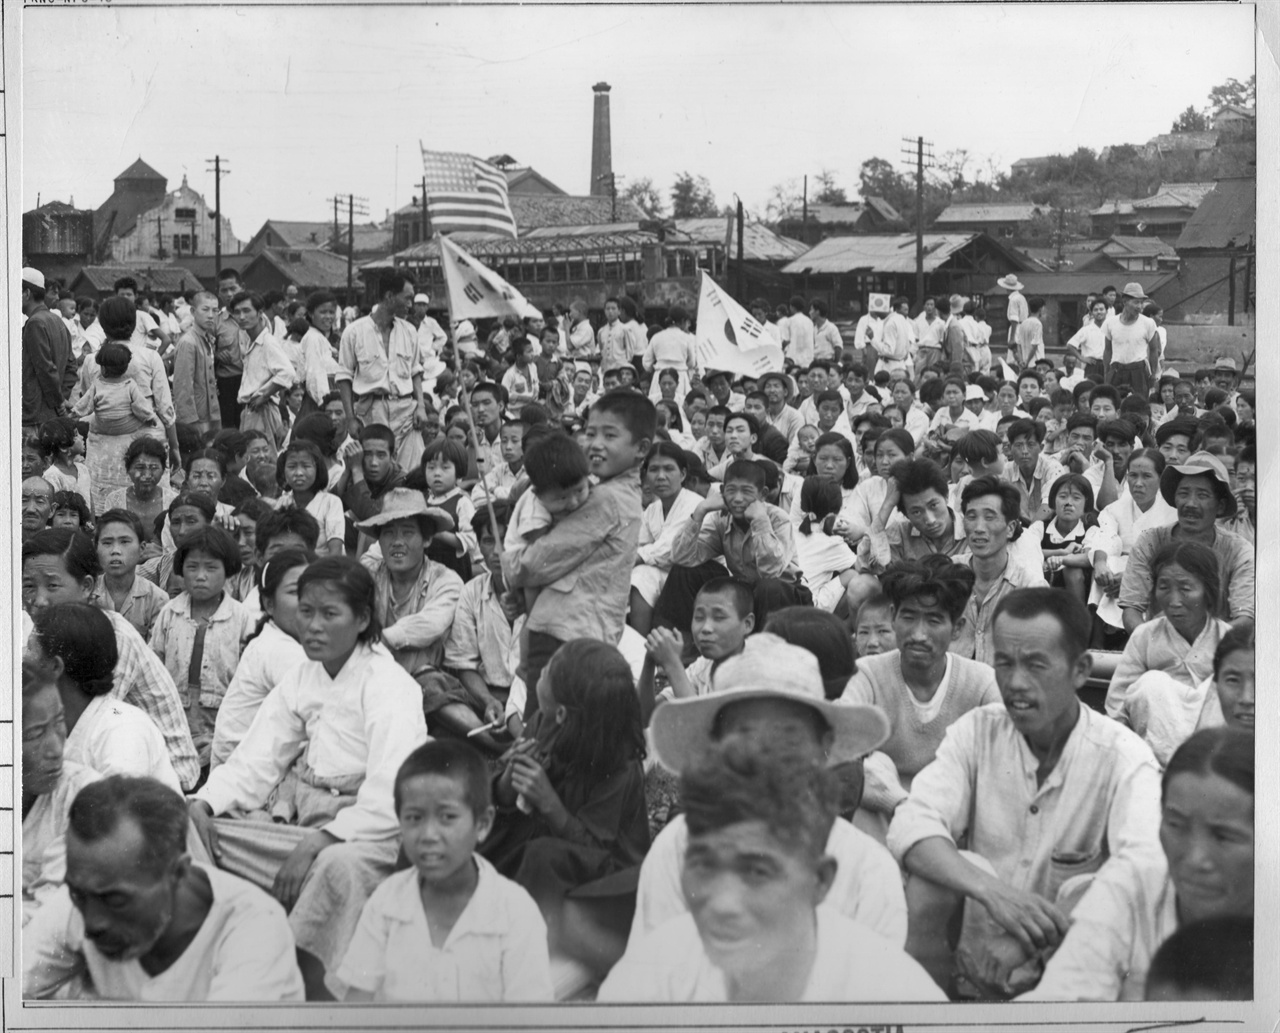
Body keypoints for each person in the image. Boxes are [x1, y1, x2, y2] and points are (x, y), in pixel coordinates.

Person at [888, 588, 1163, 998]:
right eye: (1004, 663)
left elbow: (1144, 871)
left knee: (1101, 889)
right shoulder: (978, 730)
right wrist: (994, 893)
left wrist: (1027, 938)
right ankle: (925, 1014)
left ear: (1081, 670)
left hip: (1078, 962)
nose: (1015, 683)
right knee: (933, 878)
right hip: (977, 951)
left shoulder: (1125, 759)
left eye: (1036, 665)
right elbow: (912, 823)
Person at [188, 557, 428, 999]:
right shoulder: (303, 675)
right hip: (305, 829)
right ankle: (215, 951)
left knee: (337, 868)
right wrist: (205, 801)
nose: (313, 626)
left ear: (361, 619)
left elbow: (393, 791)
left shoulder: (389, 684)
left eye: (330, 614)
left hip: (372, 838)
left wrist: (321, 841)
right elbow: (257, 758)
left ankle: (301, 990)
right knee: (194, 827)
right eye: (306, 611)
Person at [601, 737, 943, 1004]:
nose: (723, 901)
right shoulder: (650, 976)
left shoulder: (892, 993)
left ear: (819, 880)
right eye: (704, 865)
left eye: (756, 873)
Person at [24, 775, 305, 1001]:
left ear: (178, 874)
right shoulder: (87, 894)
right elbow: (10, 991)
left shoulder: (255, 931)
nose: (91, 922)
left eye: (116, 900)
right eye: (78, 894)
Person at [1023, 727, 1253, 1002]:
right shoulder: (1133, 883)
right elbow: (1061, 1002)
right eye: (1176, 825)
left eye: (1223, 836)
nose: (1194, 859)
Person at [332, 741, 553, 1002]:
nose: (429, 835)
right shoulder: (386, 904)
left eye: (447, 817)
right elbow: (358, 1006)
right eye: (414, 817)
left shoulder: (515, 914)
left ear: (482, 824)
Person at [482, 639, 649, 966]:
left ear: (562, 712)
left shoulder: (619, 764)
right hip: (541, 851)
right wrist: (506, 782)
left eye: (547, 673)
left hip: (604, 879)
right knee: (470, 823)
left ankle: (518, 952)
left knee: (542, 853)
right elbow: (506, 798)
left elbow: (597, 849)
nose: (539, 672)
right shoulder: (543, 722)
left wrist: (549, 802)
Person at [501, 392, 652, 702]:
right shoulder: (613, 491)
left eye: (610, 435)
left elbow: (534, 563)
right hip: (582, 628)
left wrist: (509, 566)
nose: (596, 443)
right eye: (592, 432)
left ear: (642, 449)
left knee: (548, 729)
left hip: (565, 629)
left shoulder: (606, 499)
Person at [22, 529, 200, 791]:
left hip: (162, 782)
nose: (38, 600)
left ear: (86, 587)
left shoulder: (112, 636)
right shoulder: (38, 632)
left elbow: (93, 723)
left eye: (52, 585)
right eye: (28, 585)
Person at [844, 557, 1000, 829]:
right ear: (893, 617)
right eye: (908, 617)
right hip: (883, 817)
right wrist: (901, 805)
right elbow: (838, 748)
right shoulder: (867, 676)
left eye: (934, 620)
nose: (918, 634)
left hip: (954, 823)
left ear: (957, 629)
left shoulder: (982, 684)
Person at [28, 602, 182, 794]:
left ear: (55, 667)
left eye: (30, 650)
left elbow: (119, 814)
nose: (24, 659)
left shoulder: (122, 729)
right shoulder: (59, 720)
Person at [1105, 541, 1233, 765]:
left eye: (1185, 589)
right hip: (1155, 755)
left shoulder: (1228, 640)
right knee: (1152, 684)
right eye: (1164, 587)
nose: (1174, 601)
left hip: (1215, 757)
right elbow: (1117, 705)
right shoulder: (1144, 636)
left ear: (1208, 591)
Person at [355, 489, 470, 733]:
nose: (397, 542)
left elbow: (430, 624)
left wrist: (380, 640)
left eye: (408, 533)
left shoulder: (446, 580)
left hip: (426, 685)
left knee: (429, 683)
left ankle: (496, 743)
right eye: (389, 534)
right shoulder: (369, 575)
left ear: (427, 540)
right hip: (374, 681)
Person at [148, 527, 255, 774]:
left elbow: (248, 678)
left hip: (223, 723)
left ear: (227, 570)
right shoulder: (169, 613)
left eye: (211, 568)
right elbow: (155, 666)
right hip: (175, 721)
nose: (200, 576)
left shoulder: (241, 618)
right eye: (192, 567)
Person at [1118, 451, 1253, 633]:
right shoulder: (1150, 543)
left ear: (1220, 505)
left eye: (1202, 495)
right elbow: (1132, 609)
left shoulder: (1238, 551)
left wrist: (1204, 646)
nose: (1190, 503)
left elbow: (1245, 619)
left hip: (1218, 652)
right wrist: (1151, 643)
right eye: (1184, 493)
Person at [210, 548, 313, 769]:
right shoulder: (279, 649)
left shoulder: (280, 639)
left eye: (314, 590)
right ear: (268, 604)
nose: (309, 602)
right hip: (244, 776)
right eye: (296, 591)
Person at [76, 297, 179, 514]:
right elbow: (165, 408)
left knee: (106, 513)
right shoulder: (150, 357)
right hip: (147, 444)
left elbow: (89, 404)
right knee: (152, 509)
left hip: (105, 450)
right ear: (133, 324)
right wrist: (175, 446)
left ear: (103, 325)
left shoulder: (92, 361)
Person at [21, 659, 101, 926]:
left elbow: (51, 915)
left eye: (58, 722)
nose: (56, 748)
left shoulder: (82, 796)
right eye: (35, 734)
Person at [336, 272, 430, 473]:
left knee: (414, 473)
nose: (411, 305)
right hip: (371, 411)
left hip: (406, 411)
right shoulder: (354, 332)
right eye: (407, 298)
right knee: (376, 473)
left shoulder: (409, 331)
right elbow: (344, 377)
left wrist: (420, 406)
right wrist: (350, 418)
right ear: (389, 296)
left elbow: (415, 372)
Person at [950, 477, 1049, 665]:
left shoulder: (1029, 587)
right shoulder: (947, 574)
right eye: (971, 517)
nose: (979, 528)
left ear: (1010, 528)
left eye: (990, 517)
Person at [640, 577, 755, 708]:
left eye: (719, 618)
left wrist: (672, 664)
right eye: (699, 618)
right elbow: (647, 717)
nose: (706, 628)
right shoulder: (704, 666)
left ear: (747, 624)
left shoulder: (757, 672)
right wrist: (650, 661)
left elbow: (703, 726)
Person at [628, 442, 703, 633]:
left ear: (683, 474)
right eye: (654, 470)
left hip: (695, 576)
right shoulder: (652, 510)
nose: (661, 476)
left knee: (641, 576)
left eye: (669, 469)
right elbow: (639, 543)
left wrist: (634, 558)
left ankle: (642, 646)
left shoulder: (694, 503)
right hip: (667, 571)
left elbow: (671, 548)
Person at [231, 291, 296, 451]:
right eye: (237, 312)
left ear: (259, 313)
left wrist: (264, 395)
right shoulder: (250, 341)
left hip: (262, 411)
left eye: (247, 311)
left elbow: (288, 372)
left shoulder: (267, 342)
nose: (242, 316)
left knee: (262, 462)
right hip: (251, 411)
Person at [93, 509, 170, 640]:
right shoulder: (87, 594)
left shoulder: (157, 599)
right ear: (96, 548)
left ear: (142, 548)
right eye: (107, 543)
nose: (115, 551)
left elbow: (155, 654)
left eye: (124, 542)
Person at [22, 266, 76, 435]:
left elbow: (45, 368)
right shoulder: (58, 321)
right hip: (50, 415)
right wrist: (61, 398)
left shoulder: (35, 323)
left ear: (27, 294)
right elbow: (71, 367)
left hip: (35, 416)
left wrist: (59, 402)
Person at [275, 439, 345, 556]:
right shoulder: (282, 503)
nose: (299, 473)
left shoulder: (331, 502)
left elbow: (336, 551)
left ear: (318, 469)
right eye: (292, 467)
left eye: (306, 466)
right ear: (284, 472)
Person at [104, 438, 177, 544]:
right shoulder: (114, 500)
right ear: (128, 469)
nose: (147, 475)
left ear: (163, 470)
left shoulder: (173, 501)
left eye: (154, 467)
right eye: (140, 467)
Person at [171, 291, 222, 437]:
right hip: (196, 418)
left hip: (210, 412)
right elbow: (183, 387)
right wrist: (189, 425)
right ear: (193, 311)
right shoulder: (188, 342)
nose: (211, 315)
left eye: (215, 310)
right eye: (205, 310)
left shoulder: (207, 339)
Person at [1103, 283, 1159, 401]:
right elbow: (1108, 350)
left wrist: (1154, 374)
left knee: (1139, 405)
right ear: (1125, 301)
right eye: (1136, 302)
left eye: (1141, 302)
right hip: (1116, 370)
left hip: (1138, 372)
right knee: (1113, 402)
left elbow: (1154, 350)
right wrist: (1107, 373)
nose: (1139, 306)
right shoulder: (1110, 323)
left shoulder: (1148, 323)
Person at [1066, 296, 1108, 383]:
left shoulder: (1110, 328)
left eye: (1101, 309)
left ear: (1106, 311)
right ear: (1092, 313)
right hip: (1093, 365)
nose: (1099, 312)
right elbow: (1070, 345)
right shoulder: (1086, 330)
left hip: (1108, 365)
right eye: (1096, 310)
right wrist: (1081, 358)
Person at [997, 274, 1027, 359]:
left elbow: (1014, 319)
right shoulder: (1021, 297)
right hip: (1023, 328)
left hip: (1017, 328)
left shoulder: (1014, 300)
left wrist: (1012, 338)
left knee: (1013, 356)